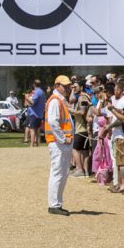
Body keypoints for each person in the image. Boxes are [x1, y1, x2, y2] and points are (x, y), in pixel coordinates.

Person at [45, 75, 74, 216]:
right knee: (58, 173)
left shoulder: (59, 100)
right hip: (58, 143)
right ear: (57, 86)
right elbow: (53, 122)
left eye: (68, 86)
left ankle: (56, 204)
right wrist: (63, 138)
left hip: (60, 142)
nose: (67, 88)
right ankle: (54, 205)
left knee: (61, 173)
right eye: (64, 86)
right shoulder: (56, 101)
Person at [70, 80, 91, 177]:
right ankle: (85, 171)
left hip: (81, 128)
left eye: (75, 87)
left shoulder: (82, 97)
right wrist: (72, 91)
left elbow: (82, 112)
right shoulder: (82, 96)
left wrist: (71, 110)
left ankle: (79, 169)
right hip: (84, 128)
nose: (73, 89)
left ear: (81, 87)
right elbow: (71, 100)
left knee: (75, 149)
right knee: (84, 151)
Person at [25, 79, 46, 147]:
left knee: (32, 129)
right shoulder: (42, 92)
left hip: (34, 113)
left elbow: (33, 102)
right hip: (40, 113)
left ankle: (31, 145)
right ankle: (37, 144)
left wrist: (27, 98)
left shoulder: (37, 92)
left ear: (34, 84)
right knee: (37, 129)